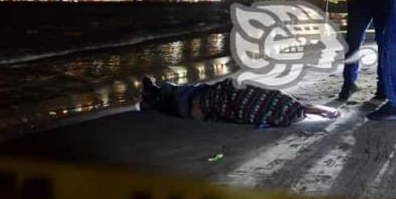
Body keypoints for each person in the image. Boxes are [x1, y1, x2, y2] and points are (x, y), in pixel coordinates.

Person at [140, 77, 340, 126]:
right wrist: (327, 112)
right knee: (180, 97)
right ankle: (157, 95)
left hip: (200, 102)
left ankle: (156, 96)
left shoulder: (289, 105)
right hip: (203, 102)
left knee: (180, 95)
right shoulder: (288, 114)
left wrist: (327, 111)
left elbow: (243, 102)